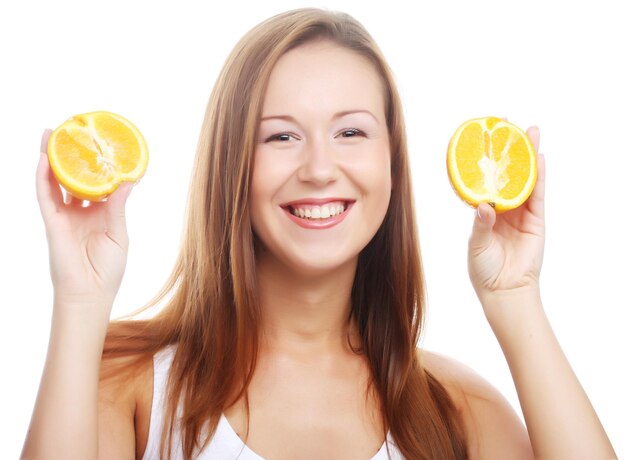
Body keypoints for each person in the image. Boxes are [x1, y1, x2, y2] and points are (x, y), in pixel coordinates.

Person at [22, 8, 616, 460]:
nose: (320, 168)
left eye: (352, 133)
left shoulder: (456, 412)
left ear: (392, 161)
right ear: (232, 164)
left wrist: (516, 299)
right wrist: (80, 298)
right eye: (281, 136)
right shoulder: (129, 387)